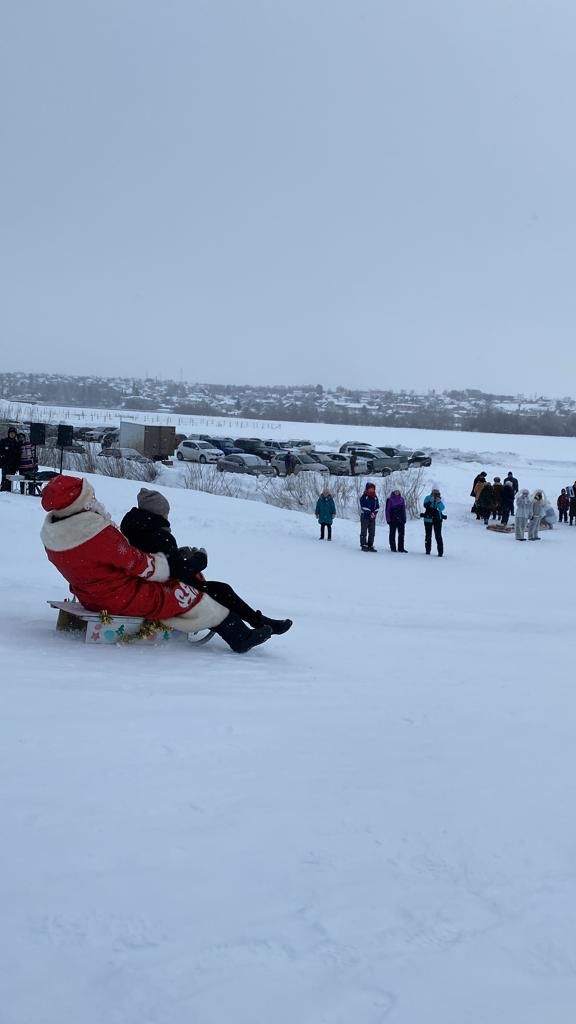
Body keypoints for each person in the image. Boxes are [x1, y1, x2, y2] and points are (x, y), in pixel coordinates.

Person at [40, 476, 279, 653]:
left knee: (187, 591)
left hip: (92, 594)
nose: (94, 500)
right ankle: (239, 638)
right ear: (79, 502)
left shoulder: (55, 535)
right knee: (189, 595)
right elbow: (137, 563)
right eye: (89, 497)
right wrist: (174, 566)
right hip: (120, 595)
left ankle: (246, 628)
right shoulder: (95, 532)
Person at [120, 488, 293, 635]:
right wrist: (200, 559)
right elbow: (177, 570)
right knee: (219, 592)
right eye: (166, 512)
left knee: (219, 590)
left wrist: (179, 553)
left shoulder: (137, 528)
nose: (167, 515)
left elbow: (160, 559)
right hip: (167, 587)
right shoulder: (158, 535)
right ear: (158, 513)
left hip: (153, 582)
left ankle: (255, 624)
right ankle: (248, 630)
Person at [422, 486, 446, 556]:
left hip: (437, 519)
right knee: (428, 536)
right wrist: (430, 501)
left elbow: (442, 508)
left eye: (436, 491)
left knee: (438, 535)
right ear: (432, 491)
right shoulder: (427, 497)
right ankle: (427, 551)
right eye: (434, 491)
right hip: (428, 519)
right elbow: (425, 505)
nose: (435, 493)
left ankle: (440, 552)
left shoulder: (440, 499)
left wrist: (438, 502)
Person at [359, 482, 379, 551]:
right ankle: (363, 544)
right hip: (365, 516)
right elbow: (363, 506)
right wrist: (370, 512)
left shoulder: (375, 497)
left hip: (372, 517)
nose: (371, 490)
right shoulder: (364, 496)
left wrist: (374, 513)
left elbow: (377, 506)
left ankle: (370, 545)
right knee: (364, 531)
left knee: (372, 532)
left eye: (373, 489)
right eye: (370, 489)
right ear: (367, 489)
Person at [0, 426, 21, 492]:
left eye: (13, 433)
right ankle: (3, 491)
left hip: (13, 466)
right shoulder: (3, 441)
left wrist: (17, 466)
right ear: (8, 434)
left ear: (15, 434)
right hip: (5, 465)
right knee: (4, 479)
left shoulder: (17, 444)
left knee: (10, 480)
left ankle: (9, 493)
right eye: (11, 433)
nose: (12, 434)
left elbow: (18, 456)